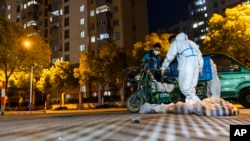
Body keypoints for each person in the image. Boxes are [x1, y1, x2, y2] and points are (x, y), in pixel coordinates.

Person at [161, 32, 204, 105]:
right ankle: (191, 105)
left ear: (173, 40)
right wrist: (200, 67)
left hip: (187, 64)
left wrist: (163, 67)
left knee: (184, 88)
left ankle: (199, 103)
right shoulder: (191, 42)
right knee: (192, 87)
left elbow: (169, 57)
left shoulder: (176, 43)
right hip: (196, 63)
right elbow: (199, 54)